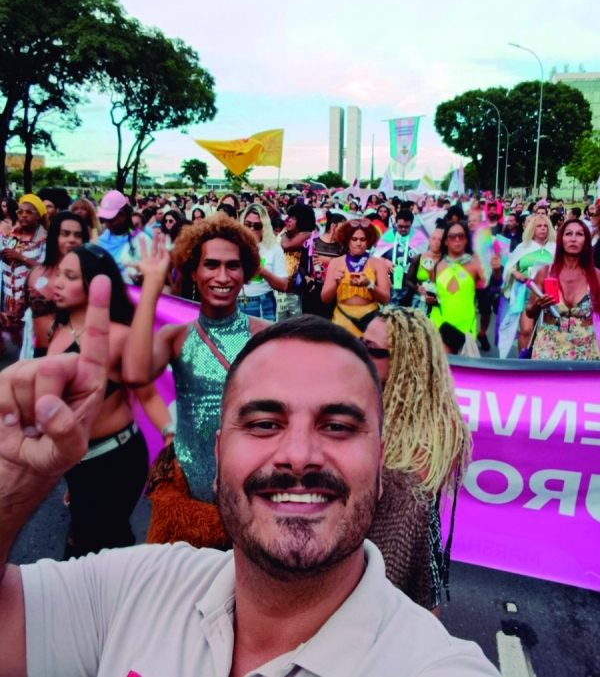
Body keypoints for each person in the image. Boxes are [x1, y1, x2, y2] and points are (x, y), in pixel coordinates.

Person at [0, 307, 500, 677]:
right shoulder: (136, 588)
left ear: (380, 459)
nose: (299, 454)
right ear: (217, 457)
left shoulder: (430, 663)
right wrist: (9, 488)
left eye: (339, 426)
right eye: (263, 423)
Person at [121, 215, 270, 548]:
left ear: (245, 272)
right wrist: (152, 287)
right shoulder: (175, 337)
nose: (222, 276)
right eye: (211, 265)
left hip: (251, 495)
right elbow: (135, 374)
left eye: (233, 266)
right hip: (188, 498)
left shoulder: (266, 336)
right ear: (192, 271)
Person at [48, 244, 165, 558]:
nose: (57, 282)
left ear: (96, 284)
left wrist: (172, 438)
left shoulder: (120, 336)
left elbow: (148, 393)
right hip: (77, 463)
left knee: (88, 546)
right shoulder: (57, 329)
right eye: (58, 273)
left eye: (70, 276)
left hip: (116, 460)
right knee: (104, 543)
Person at [364, 307, 472, 612]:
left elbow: (412, 495)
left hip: (409, 543)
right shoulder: (357, 395)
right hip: (355, 539)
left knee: (413, 631)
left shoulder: (440, 424)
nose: (361, 354)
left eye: (371, 349)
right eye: (360, 343)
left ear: (405, 359)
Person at [526, 219, 600, 360]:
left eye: (579, 234)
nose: (573, 239)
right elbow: (529, 312)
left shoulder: (595, 275)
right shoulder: (545, 271)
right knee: (545, 383)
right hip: (548, 347)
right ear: (561, 239)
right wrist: (538, 305)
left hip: (585, 350)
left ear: (586, 240)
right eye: (568, 234)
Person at [21, 212, 89, 358]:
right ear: (54, 237)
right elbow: (20, 313)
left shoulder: (90, 278)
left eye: (78, 235)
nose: (72, 240)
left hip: (76, 356)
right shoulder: (34, 275)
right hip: (40, 354)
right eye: (65, 234)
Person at [499, 215, 556, 357]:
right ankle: (523, 363)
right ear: (532, 228)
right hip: (526, 293)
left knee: (543, 331)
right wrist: (515, 273)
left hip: (548, 295)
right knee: (526, 330)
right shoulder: (523, 247)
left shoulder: (555, 248)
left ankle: (537, 359)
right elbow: (509, 266)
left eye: (545, 226)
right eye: (539, 226)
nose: (543, 229)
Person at [321, 219, 390, 336]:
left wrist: (369, 285)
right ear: (347, 240)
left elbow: (385, 299)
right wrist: (336, 283)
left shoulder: (378, 264)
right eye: (354, 239)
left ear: (369, 241)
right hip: (342, 320)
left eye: (363, 239)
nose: (358, 243)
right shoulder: (336, 263)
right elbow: (325, 299)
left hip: (369, 321)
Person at [0, 195, 48, 349]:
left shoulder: (45, 239)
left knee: (32, 344)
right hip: (9, 298)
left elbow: (46, 269)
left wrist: (20, 258)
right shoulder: (9, 237)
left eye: (29, 212)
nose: (23, 216)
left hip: (31, 300)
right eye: (20, 212)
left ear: (38, 215)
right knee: (16, 343)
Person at [430, 222, 488, 338]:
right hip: (439, 325)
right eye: (452, 236)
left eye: (461, 236)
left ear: (466, 240)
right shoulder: (437, 266)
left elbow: (494, 288)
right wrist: (428, 298)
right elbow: (434, 294)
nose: (457, 239)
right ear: (446, 241)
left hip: (465, 327)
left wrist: (496, 271)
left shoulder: (475, 265)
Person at [238, 204, 287, 321]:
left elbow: (283, 286)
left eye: (257, 226)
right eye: (248, 224)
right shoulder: (234, 246)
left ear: (264, 227)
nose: (251, 229)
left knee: (262, 339)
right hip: (236, 303)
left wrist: (262, 271)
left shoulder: (274, 249)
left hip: (263, 304)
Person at [96, 189, 152, 284]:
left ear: (124, 216)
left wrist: (143, 276)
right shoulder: (99, 241)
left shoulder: (140, 240)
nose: (107, 224)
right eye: (104, 219)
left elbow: (152, 273)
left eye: (111, 220)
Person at [375, 209, 420, 307]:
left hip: (410, 283)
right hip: (390, 281)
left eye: (406, 227)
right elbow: (375, 257)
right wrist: (384, 260)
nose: (403, 229)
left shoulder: (418, 237)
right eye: (400, 226)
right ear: (396, 223)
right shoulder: (388, 235)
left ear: (411, 224)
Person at [279, 203, 317, 319]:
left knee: (294, 325)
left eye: (293, 218)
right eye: (289, 217)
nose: (289, 220)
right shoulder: (292, 235)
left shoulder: (307, 235)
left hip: (296, 291)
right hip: (284, 289)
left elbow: (286, 245)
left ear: (302, 220)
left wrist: (285, 232)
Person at [404, 226, 444, 315]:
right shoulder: (418, 258)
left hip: (439, 303)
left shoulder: (446, 261)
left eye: (440, 240)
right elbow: (407, 280)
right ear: (429, 240)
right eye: (434, 239)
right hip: (418, 302)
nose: (436, 242)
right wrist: (417, 288)